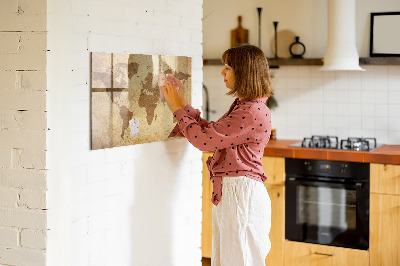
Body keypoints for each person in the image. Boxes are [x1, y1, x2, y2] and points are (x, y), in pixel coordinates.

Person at [161, 44, 273, 266]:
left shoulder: (250, 111)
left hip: (241, 195)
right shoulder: (246, 106)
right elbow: (212, 133)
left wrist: (176, 108)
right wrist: (182, 103)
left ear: (244, 72)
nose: (222, 72)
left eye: (228, 67)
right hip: (236, 193)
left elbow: (204, 141)